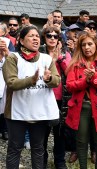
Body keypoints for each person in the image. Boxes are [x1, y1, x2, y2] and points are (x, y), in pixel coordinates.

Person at [2, 25, 60, 169]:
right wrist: (31, 80)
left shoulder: (46, 58)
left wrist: (48, 79)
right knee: (15, 149)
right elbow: (11, 83)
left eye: (37, 36)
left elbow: (57, 81)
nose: (35, 38)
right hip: (16, 111)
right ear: (21, 40)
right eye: (31, 36)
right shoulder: (12, 58)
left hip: (39, 112)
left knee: (38, 148)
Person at [65, 32, 97, 169]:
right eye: (83, 45)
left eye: (90, 44)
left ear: (96, 45)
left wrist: (94, 78)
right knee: (81, 142)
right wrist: (85, 80)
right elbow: (69, 86)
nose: (87, 47)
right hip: (81, 108)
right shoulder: (75, 64)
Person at [40, 26, 71, 169]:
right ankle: (42, 160)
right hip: (41, 98)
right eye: (49, 35)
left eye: (55, 36)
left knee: (59, 132)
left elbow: (70, 72)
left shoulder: (65, 53)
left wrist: (59, 59)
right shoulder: (39, 52)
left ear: (59, 39)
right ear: (44, 37)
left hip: (60, 98)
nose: (52, 38)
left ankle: (59, 161)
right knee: (42, 133)